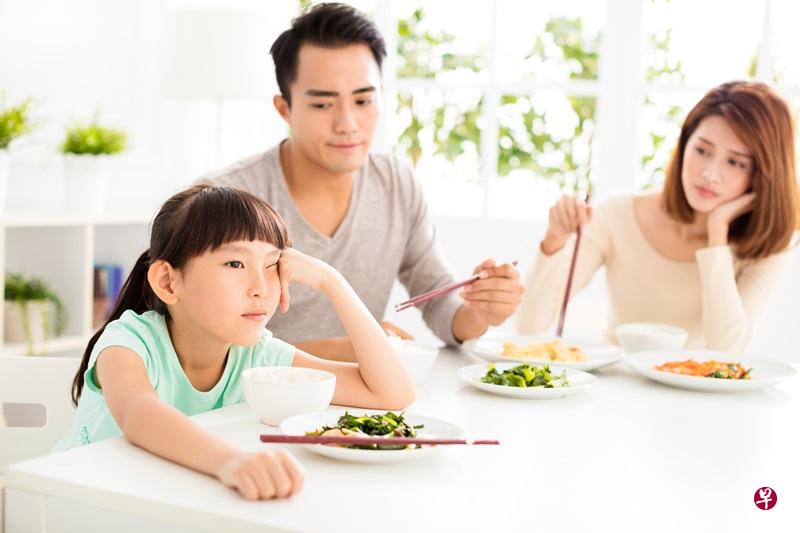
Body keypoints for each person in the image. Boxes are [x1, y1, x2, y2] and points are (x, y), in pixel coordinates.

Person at [199, 3, 523, 359]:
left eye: (363, 100)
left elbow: (440, 304)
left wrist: (481, 311)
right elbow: (194, 346)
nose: (348, 123)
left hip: (364, 404)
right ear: (284, 109)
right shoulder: (220, 200)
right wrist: (340, 350)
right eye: (323, 105)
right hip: (251, 407)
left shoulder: (396, 185)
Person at [56, 185, 415, 501]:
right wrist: (231, 461)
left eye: (273, 265)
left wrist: (333, 282)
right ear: (167, 282)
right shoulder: (129, 341)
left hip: (163, 502)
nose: (260, 287)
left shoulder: (256, 354)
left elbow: (390, 394)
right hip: (71, 501)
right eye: (234, 263)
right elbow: (140, 415)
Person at [517, 81, 798, 353]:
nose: (710, 174)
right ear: (684, 145)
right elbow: (529, 324)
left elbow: (726, 349)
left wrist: (717, 237)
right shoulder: (616, 215)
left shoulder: (770, 243)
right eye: (702, 150)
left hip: (703, 396)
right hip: (616, 388)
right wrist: (554, 240)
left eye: (735, 162)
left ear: (762, 175)